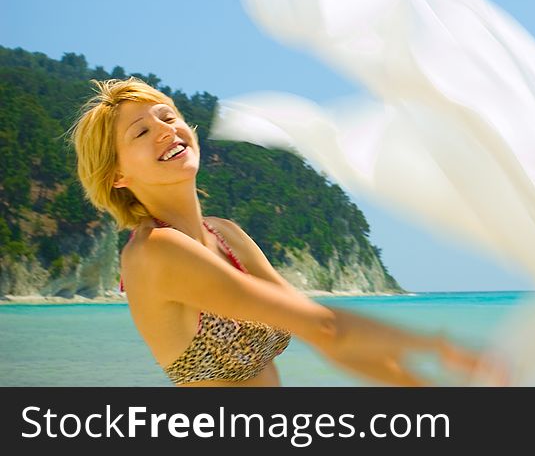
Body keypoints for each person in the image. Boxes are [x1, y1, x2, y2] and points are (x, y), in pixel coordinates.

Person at [67, 76, 508, 387]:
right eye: (142, 131)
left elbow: (326, 336)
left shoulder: (226, 236)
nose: (166, 130)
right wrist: (437, 346)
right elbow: (326, 326)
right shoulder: (157, 252)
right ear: (116, 176)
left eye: (168, 116)